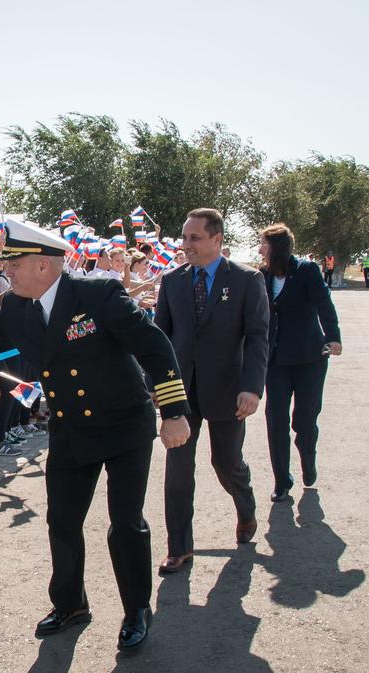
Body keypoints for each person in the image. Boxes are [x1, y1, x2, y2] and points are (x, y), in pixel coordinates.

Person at [0, 219, 191, 651]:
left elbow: (155, 348)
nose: (6, 273)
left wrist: (175, 412)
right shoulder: (16, 306)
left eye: (13, 265)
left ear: (43, 266)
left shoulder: (97, 295)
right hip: (70, 428)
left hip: (124, 424)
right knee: (62, 521)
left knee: (125, 523)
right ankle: (70, 604)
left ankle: (136, 610)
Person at [154, 208, 270, 574]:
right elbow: (159, 340)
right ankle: (179, 547)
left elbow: (257, 338)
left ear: (217, 240)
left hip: (228, 391)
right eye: (184, 237)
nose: (185, 244)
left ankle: (245, 506)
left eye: (194, 238)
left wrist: (252, 388)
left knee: (226, 462)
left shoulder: (247, 280)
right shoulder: (172, 281)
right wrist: (158, 386)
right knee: (177, 472)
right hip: (180, 393)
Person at [257, 224, 342, 502]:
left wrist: (333, 338)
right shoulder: (262, 275)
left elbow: (324, 305)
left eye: (263, 244)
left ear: (277, 247)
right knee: (275, 418)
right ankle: (282, 479)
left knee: (304, 419)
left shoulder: (306, 271)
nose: (259, 249)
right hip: (277, 360)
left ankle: (308, 457)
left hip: (309, 359)